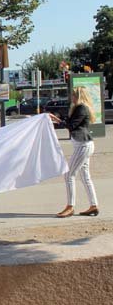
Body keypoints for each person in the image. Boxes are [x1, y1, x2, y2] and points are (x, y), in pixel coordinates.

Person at [49, 86, 99, 218]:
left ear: (79, 95)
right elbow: (70, 122)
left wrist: (56, 120)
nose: (72, 97)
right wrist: (57, 119)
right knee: (85, 177)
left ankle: (70, 207)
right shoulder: (80, 108)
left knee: (69, 174)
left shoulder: (81, 108)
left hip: (83, 145)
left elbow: (71, 125)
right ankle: (93, 206)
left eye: (73, 95)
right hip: (82, 145)